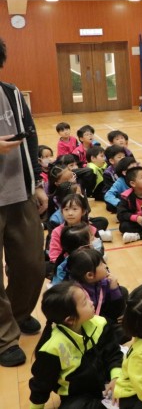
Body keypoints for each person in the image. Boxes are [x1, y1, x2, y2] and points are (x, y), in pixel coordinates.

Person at [0, 37, 47, 367]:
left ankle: (16, 315)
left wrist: (38, 184)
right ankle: (4, 336)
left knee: (32, 264)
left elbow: (30, 138)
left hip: (19, 193)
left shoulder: (12, 93)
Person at [28, 282, 123, 409]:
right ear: (70, 320)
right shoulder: (52, 348)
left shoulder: (100, 323)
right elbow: (41, 384)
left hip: (108, 382)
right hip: (79, 395)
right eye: (85, 302)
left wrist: (116, 377)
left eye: (87, 296)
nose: (91, 302)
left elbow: (113, 353)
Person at [117, 166, 142, 244]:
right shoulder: (126, 196)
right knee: (124, 226)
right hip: (138, 222)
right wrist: (137, 218)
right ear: (133, 183)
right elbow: (121, 214)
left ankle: (139, 235)